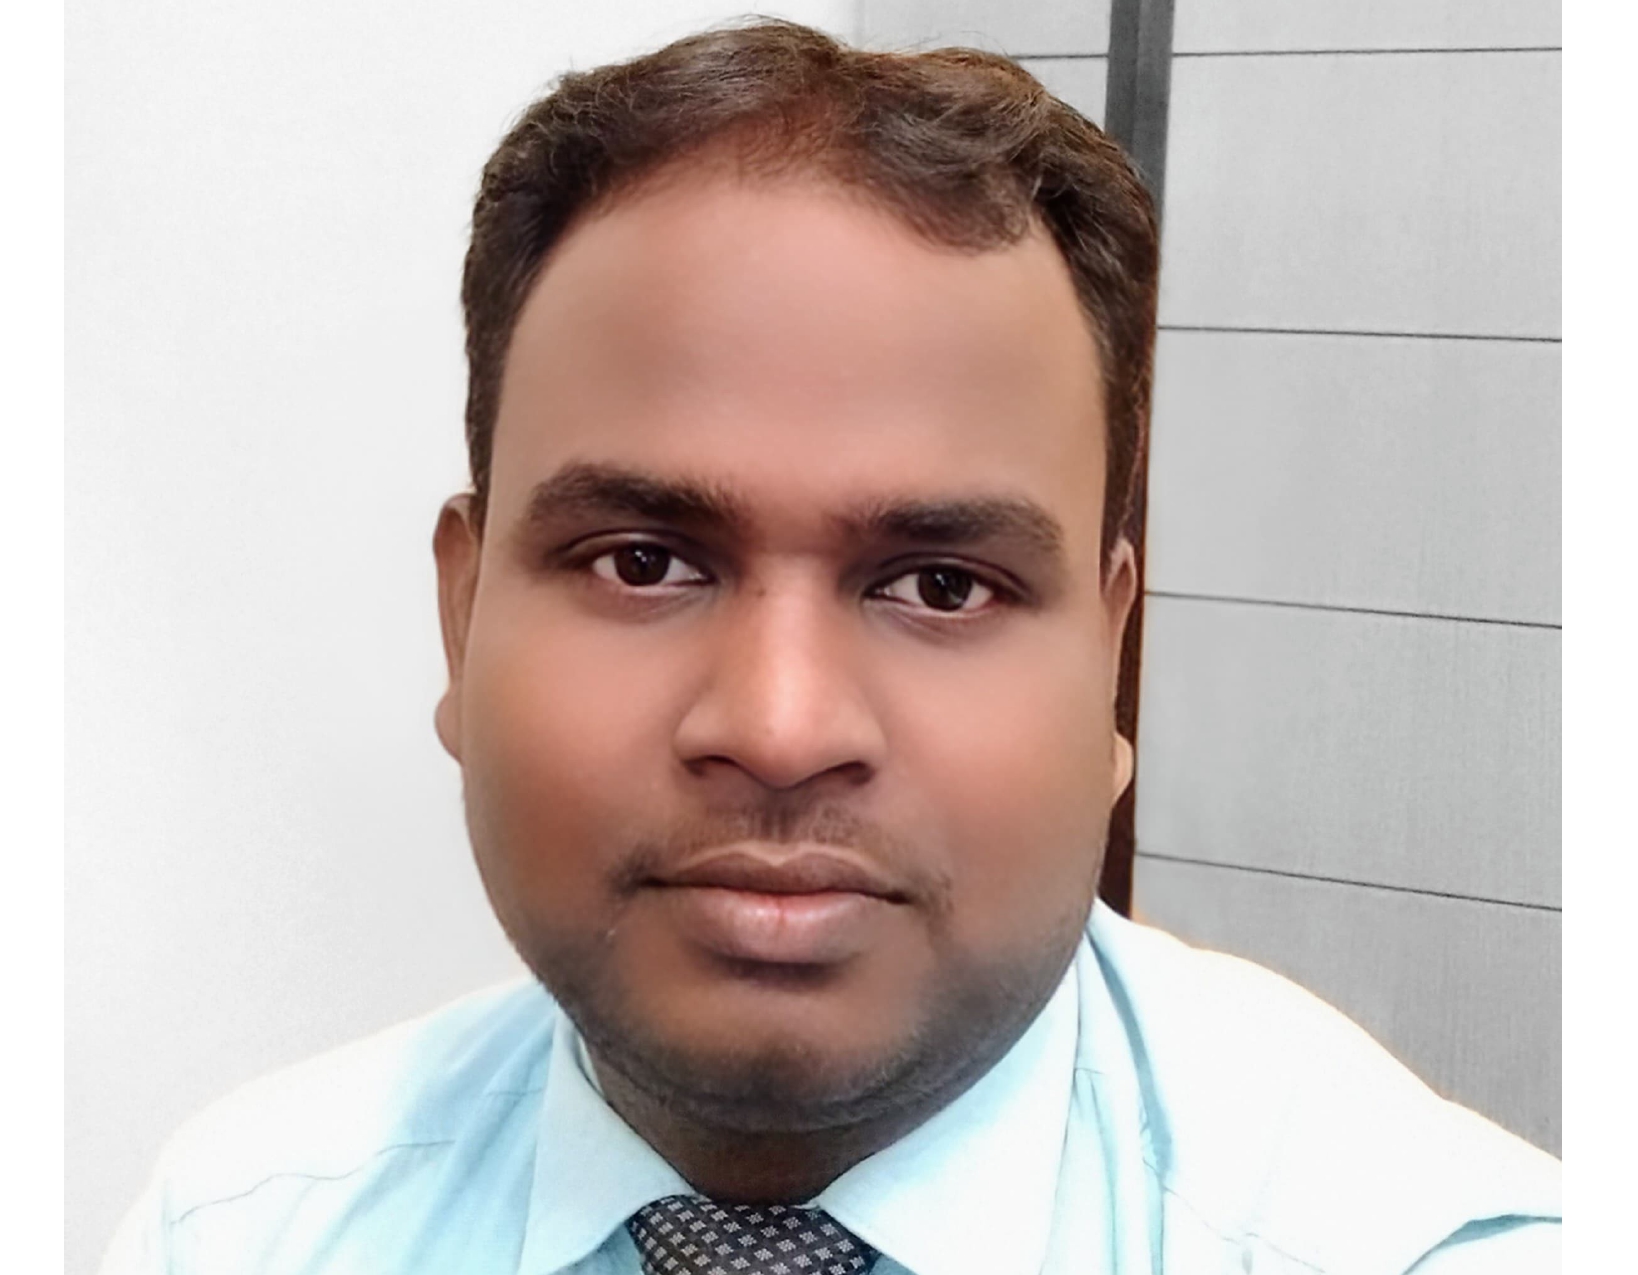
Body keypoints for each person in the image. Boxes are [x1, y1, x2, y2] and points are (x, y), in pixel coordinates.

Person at [99, 19, 1559, 1275]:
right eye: (645, 561)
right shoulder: (240, 1231)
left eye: (941, 585)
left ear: (1112, 662)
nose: (781, 726)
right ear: (461, 618)